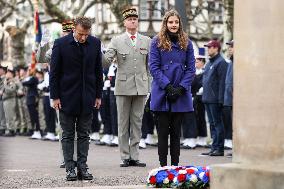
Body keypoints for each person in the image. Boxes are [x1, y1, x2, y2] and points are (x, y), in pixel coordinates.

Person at [50, 16, 103, 181]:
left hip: (87, 96)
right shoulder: (60, 44)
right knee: (67, 134)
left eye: (86, 34)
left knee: (84, 134)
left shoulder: (95, 43)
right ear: (74, 29)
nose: (83, 37)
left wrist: (98, 95)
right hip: (66, 97)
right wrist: (55, 96)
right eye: (80, 34)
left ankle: (82, 166)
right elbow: (54, 73)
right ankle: (70, 168)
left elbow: (97, 71)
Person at [149, 10, 196, 167]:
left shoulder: (187, 42)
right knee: (162, 133)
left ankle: (175, 167)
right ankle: (163, 167)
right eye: (170, 22)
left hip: (180, 93)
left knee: (176, 134)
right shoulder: (156, 41)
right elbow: (154, 67)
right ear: (165, 23)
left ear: (179, 23)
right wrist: (168, 86)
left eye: (176, 22)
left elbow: (191, 69)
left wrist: (181, 88)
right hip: (162, 92)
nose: (173, 25)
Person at [105, 7, 151, 167]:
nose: (133, 21)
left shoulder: (146, 41)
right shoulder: (116, 40)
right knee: (123, 122)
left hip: (141, 86)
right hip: (123, 86)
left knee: (137, 122)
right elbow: (106, 60)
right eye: (130, 19)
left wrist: (149, 87)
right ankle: (125, 156)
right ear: (124, 22)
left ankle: (135, 155)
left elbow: (150, 66)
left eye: (135, 19)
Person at [201, 39, 228, 156]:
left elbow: (223, 82)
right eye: (207, 47)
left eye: (210, 47)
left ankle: (219, 148)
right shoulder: (209, 63)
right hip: (207, 98)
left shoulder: (221, 62)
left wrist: (221, 99)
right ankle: (214, 147)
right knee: (212, 123)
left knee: (217, 123)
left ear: (216, 48)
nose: (208, 49)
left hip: (215, 99)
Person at [223, 40, 234, 157]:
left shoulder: (238, 61)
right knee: (232, 125)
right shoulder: (231, 61)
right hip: (229, 99)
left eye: (232, 46)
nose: (230, 49)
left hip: (235, 99)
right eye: (229, 47)